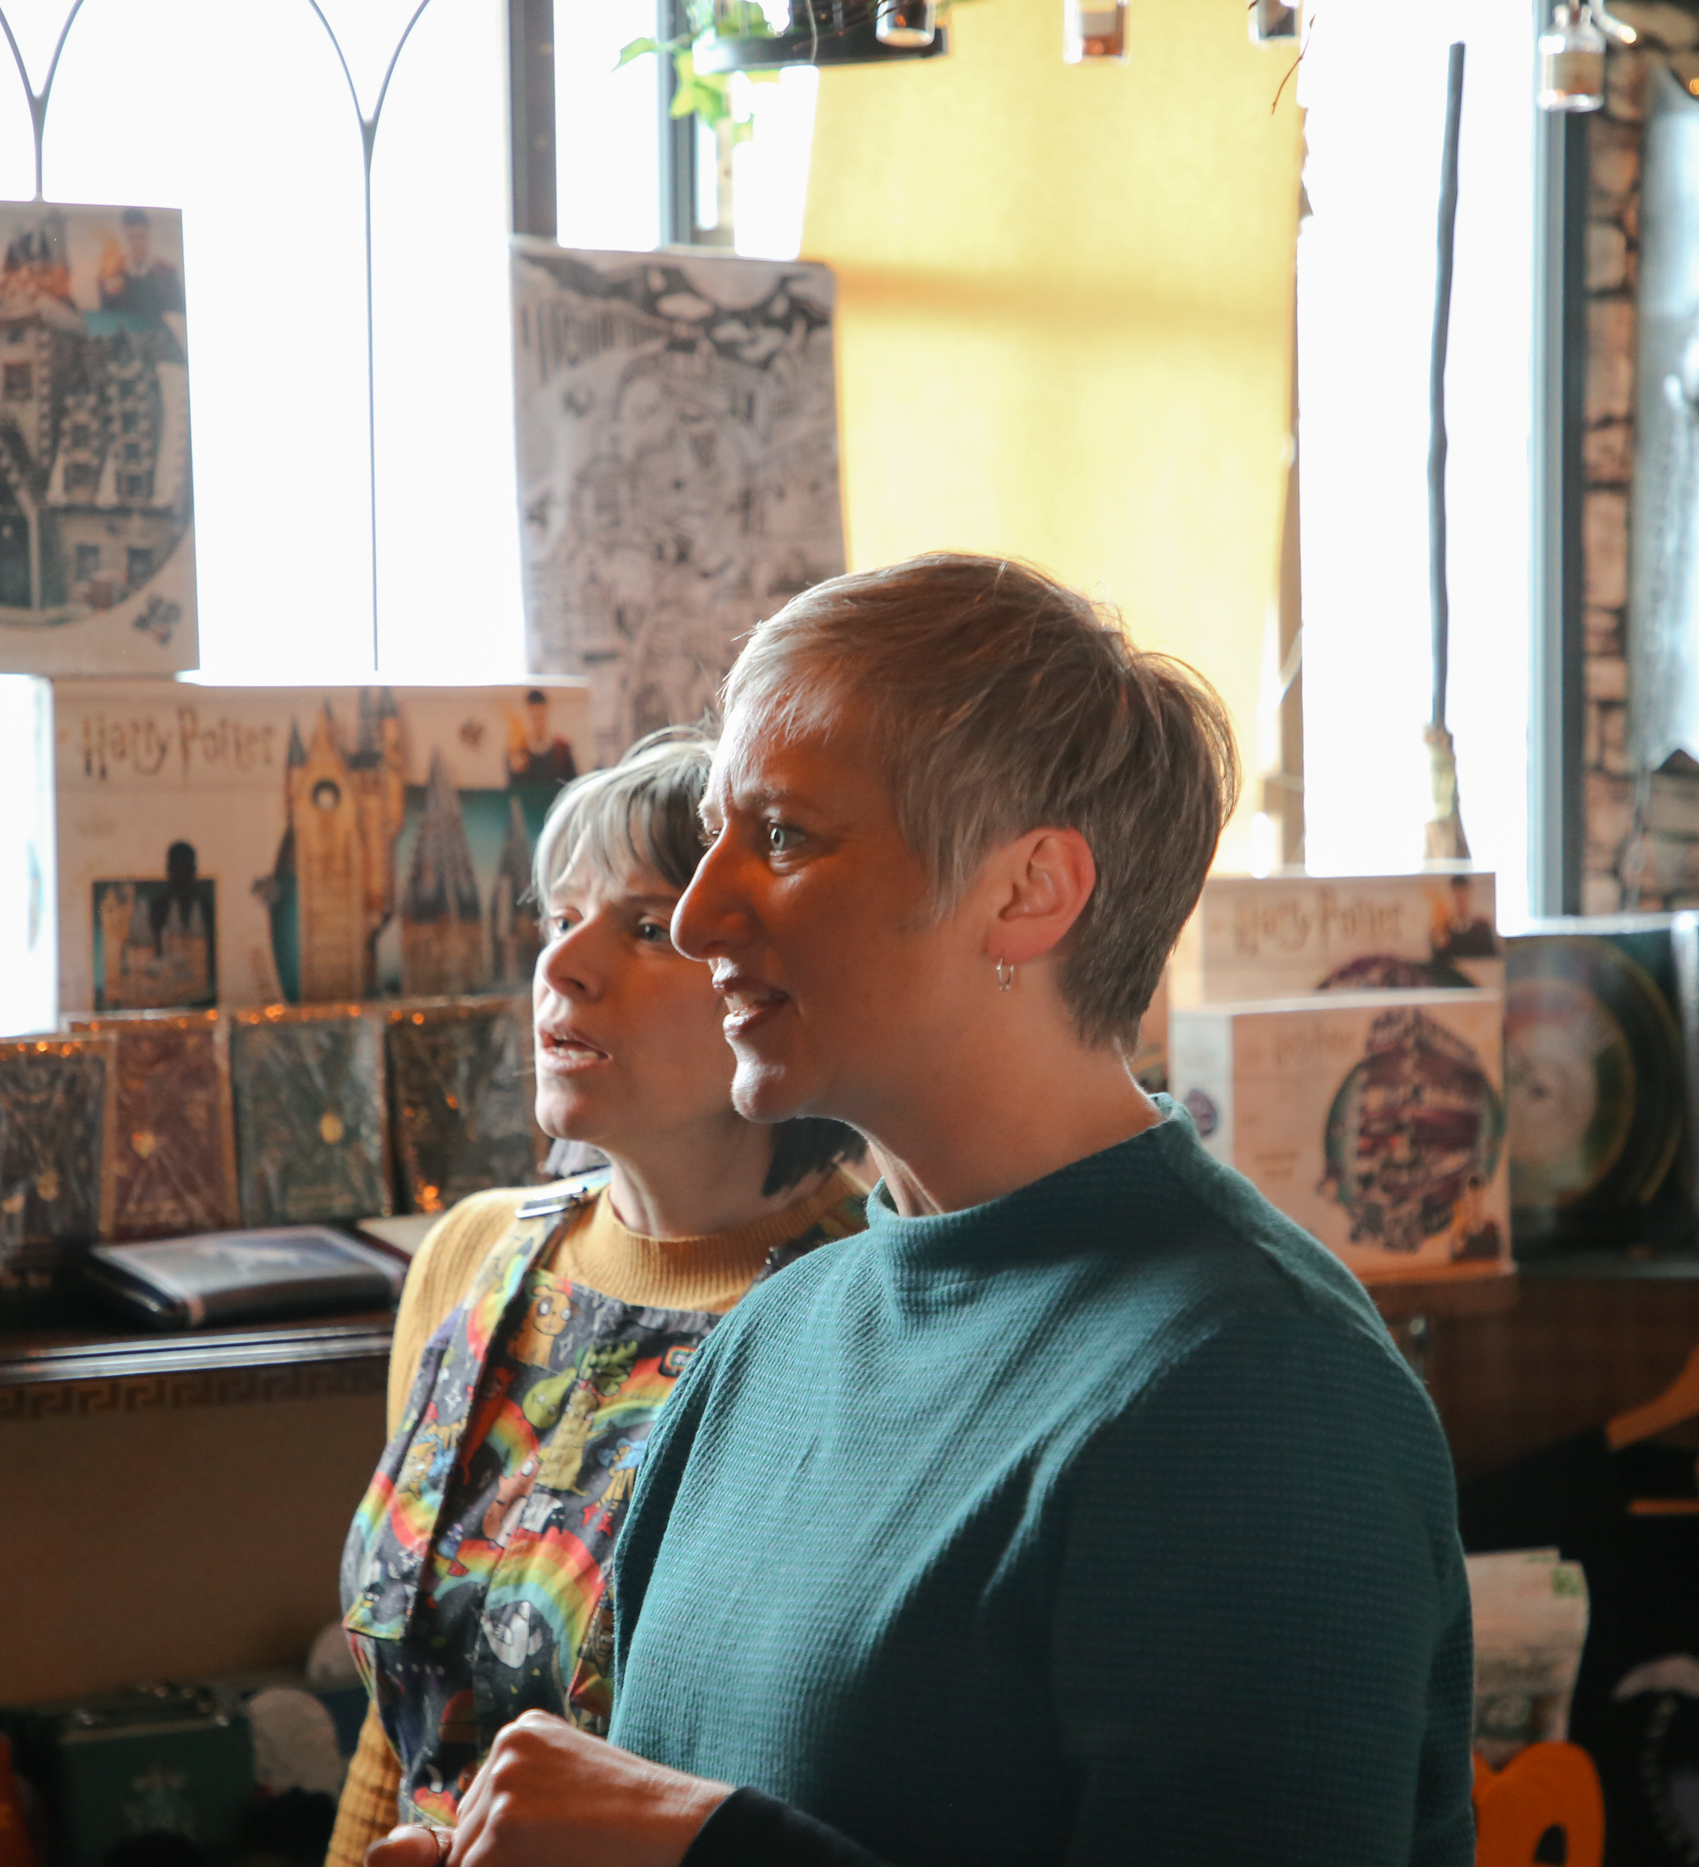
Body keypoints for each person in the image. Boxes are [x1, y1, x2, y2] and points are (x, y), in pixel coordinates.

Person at [368, 554, 1472, 1866]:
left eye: (781, 835)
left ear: (1028, 892)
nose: (708, 906)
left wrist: (705, 1848)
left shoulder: (1258, 1390)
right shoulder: (768, 1342)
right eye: (720, 831)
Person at [328, 730, 871, 1862]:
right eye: (556, 916)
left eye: (640, 926)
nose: (562, 965)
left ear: (764, 978)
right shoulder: (472, 1256)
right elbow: (399, 1737)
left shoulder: (858, 1304)